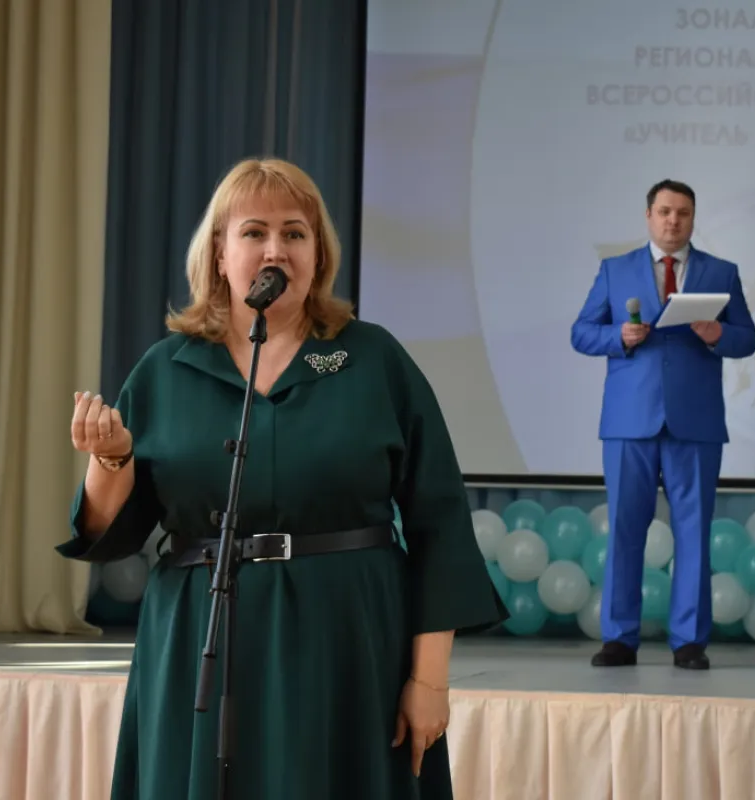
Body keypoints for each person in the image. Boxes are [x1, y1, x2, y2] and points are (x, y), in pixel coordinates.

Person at [57, 157, 506, 799]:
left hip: (348, 646)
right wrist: (111, 460)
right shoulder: (167, 368)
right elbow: (111, 532)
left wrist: (429, 681)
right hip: (200, 643)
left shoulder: (371, 359)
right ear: (219, 254)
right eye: (254, 232)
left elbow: (440, 525)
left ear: (318, 254)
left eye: (295, 233)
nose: (276, 249)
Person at [570, 179, 755, 669]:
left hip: (695, 421)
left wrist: (718, 334)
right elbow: (581, 332)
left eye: (683, 213)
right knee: (624, 529)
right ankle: (618, 638)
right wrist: (618, 336)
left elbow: (748, 338)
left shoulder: (721, 271)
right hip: (629, 419)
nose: (674, 221)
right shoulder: (615, 270)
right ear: (649, 215)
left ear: (693, 218)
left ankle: (689, 641)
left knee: (693, 532)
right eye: (665, 211)